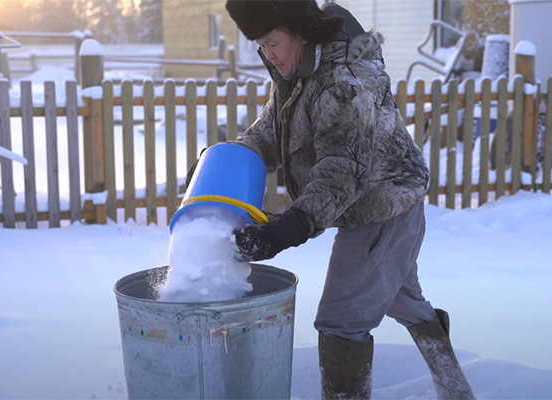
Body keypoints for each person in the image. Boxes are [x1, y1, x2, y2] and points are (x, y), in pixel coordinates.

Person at [187, 1, 477, 398]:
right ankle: (455, 388)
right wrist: (225, 164)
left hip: (382, 204)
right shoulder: (299, 74)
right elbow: (270, 133)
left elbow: (342, 170)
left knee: (341, 321)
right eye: (261, 45)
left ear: (300, 33)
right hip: (375, 198)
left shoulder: (343, 80)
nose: (267, 53)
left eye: (272, 42)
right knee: (401, 298)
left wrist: (290, 227)